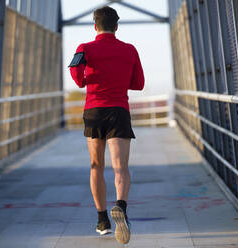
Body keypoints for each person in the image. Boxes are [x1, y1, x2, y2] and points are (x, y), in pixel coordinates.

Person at [68, 5, 144, 244]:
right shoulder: (129, 50)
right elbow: (139, 83)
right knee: (120, 166)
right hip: (118, 111)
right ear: (116, 26)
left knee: (96, 166)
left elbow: (78, 78)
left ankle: (102, 220)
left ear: (95, 26)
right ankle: (120, 206)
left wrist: (89, 76)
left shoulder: (85, 48)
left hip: (93, 111)